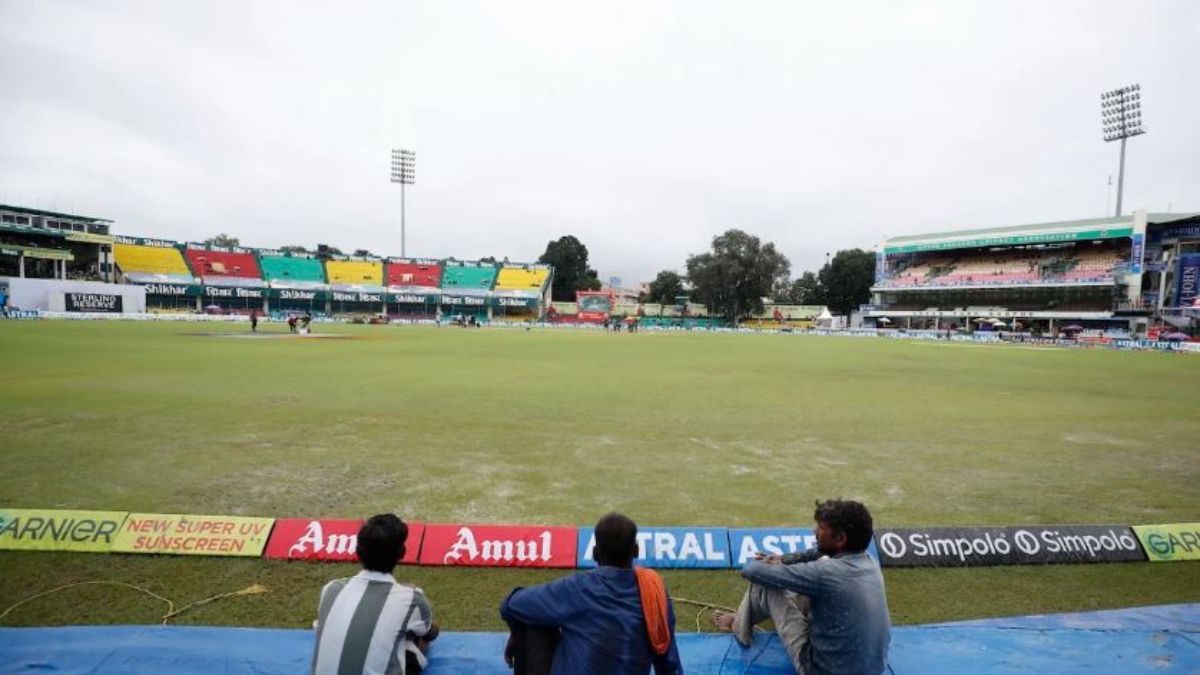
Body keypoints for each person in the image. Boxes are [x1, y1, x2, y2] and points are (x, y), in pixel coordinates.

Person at [713, 499, 890, 675]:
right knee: (811, 584)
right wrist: (786, 559)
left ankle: (739, 626)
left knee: (766, 586)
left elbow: (752, 571)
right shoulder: (870, 562)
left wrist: (774, 564)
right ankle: (743, 619)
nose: (815, 532)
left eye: (820, 528)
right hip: (874, 668)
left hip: (818, 670)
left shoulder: (825, 573)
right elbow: (819, 552)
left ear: (840, 539)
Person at [499, 513, 683, 675]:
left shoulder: (579, 587)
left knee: (532, 616)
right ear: (636, 550)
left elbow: (512, 604)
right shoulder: (655, 592)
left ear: (595, 553)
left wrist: (516, 632)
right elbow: (669, 663)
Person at [311, 514, 439, 675]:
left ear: (358, 551)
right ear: (401, 553)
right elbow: (429, 633)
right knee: (413, 641)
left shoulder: (331, 589)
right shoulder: (412, 599)